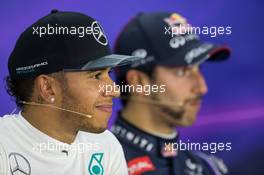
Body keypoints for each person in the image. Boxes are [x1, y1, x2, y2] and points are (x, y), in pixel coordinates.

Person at [0, 10, 140, 175]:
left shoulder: (106, 145)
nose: (115, 91)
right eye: (96, 76)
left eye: (108, 74)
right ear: (47, 88)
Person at [111, 12, 231, 175]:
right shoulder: (98, 165)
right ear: (139, 82)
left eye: (199, 68)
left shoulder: (209, 168)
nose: (202, 87)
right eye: (183, 71)